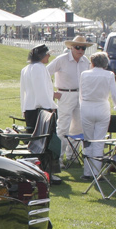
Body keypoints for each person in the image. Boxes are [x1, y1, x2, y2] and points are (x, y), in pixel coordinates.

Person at [48, 34, 93, 166]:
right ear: (71, 47)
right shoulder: (61, 59)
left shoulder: (85, 61)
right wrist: (51, 92)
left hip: (80, 95)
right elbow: (45, 73)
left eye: (83, 48)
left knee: (78, 127)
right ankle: (58, 158)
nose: (80, 50)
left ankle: (72, 156)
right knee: (63, 127)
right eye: (78, 47)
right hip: (65, 94)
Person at [78, 52, 116, 181]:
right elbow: (114, 94)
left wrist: (82, 105)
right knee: (99, 141)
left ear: (93, 62)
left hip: (87, 107)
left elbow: (81, 93)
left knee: (88, 141)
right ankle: (97, 172)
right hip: (102, 107)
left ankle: (87, 172)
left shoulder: (84, 74)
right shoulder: (109, 75)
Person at [20, 44, 56, 132]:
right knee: (43, 137)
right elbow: (41, 90)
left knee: (32, 135)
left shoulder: (25, 69)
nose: (49, 56)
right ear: (41, 56)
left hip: (29, 108)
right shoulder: (38, 68)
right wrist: (51, 106)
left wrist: (23, 108)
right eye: (47, 54)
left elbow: (23, 91)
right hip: (40, 110)